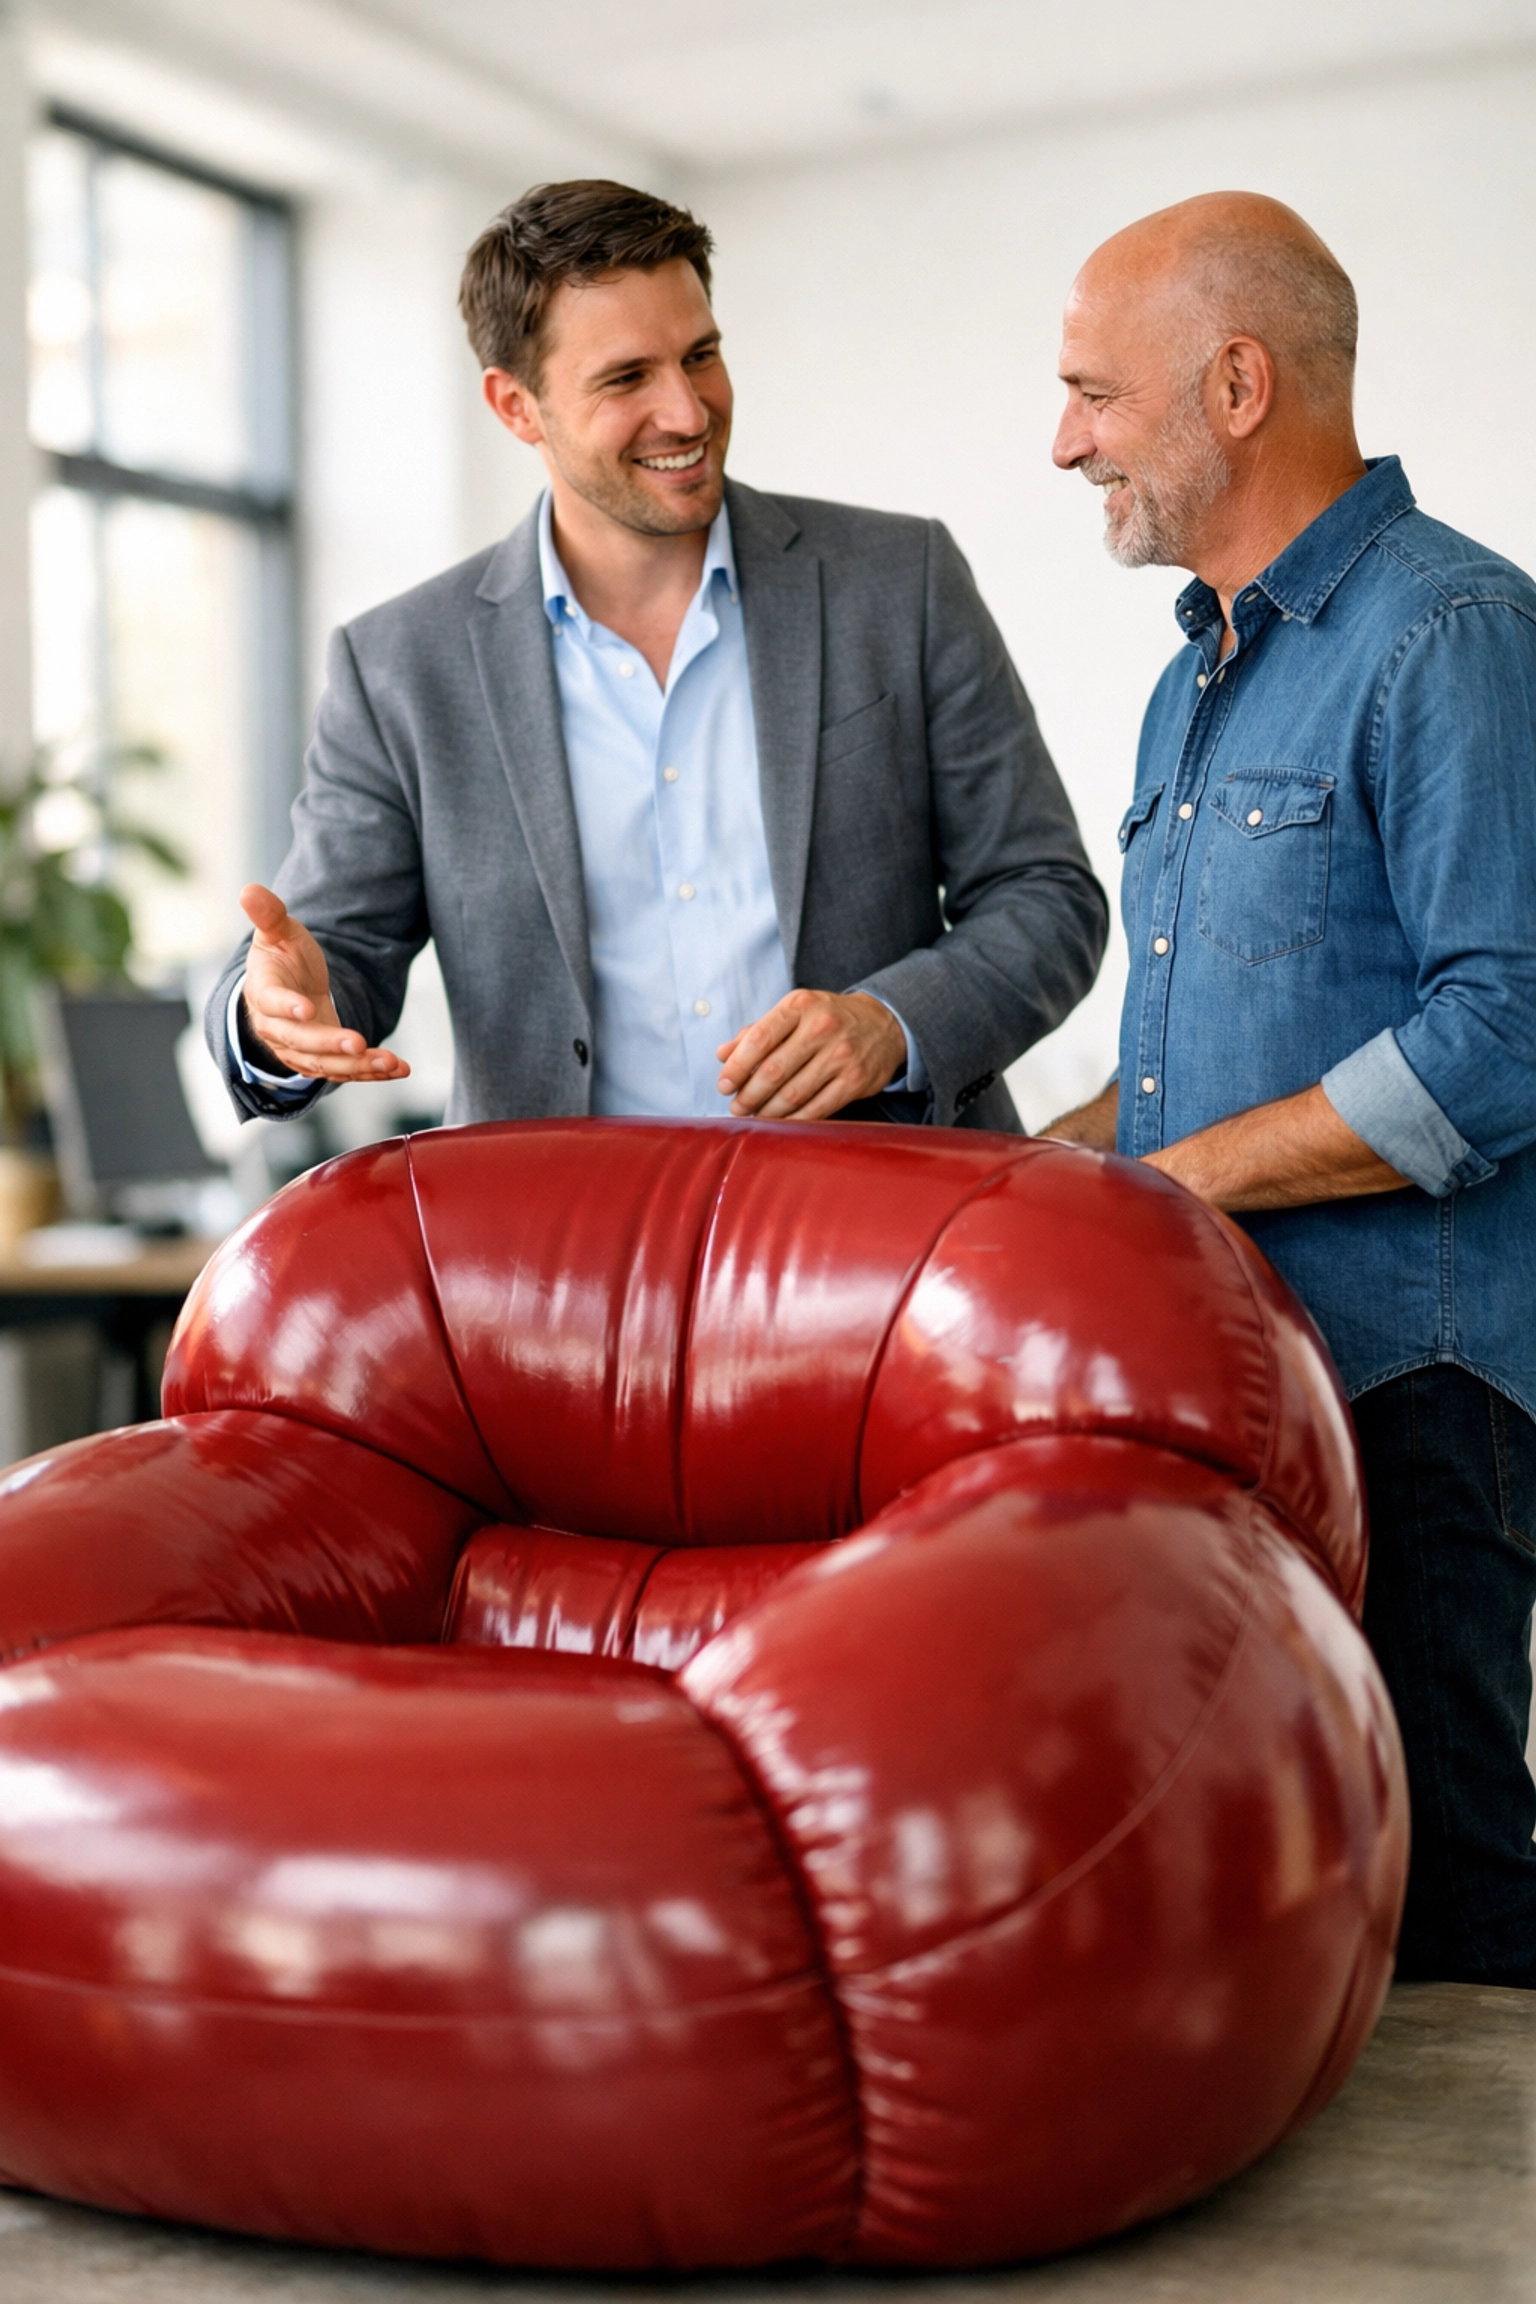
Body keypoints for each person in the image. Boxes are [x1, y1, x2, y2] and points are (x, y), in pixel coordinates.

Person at [1044, 191, 1536, 1985]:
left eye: (1094, 392)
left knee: (1448, 1873)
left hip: (1421, 1386)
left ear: (1234, 383)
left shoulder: (1452, 633)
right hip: (1253, 1369)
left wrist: (1169, 1181)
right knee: (1308, 1860)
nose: (1064, 439)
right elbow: (1194, 1049)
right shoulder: (1197, 679)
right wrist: (1051, 1169)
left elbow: (1507, 1032)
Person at [207, 179, 1105, 1137]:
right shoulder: (399, 667)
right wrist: (274, 1017)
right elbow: (333, 949)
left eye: (701, 355)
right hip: (565, 1258)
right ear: (517, 406)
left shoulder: (899, 583)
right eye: (627, 377)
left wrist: (892, 1022)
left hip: (886, 1228)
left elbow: (1047, 897)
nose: (687, 411)